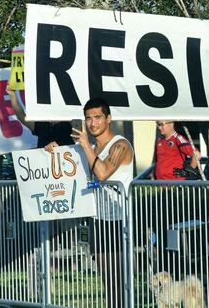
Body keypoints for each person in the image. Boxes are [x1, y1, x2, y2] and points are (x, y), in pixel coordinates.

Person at [45, 98, 134, 308]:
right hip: (98, 218)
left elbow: (102, 173)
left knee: (117, 280)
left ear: (108, 118)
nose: (93, 123)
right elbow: (71, 170)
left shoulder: (120, 144)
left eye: (97, 117)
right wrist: (55, 151)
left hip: (118, 219)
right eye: (88, 118)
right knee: (106, 278)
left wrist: (84, 145)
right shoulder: (91, 146)